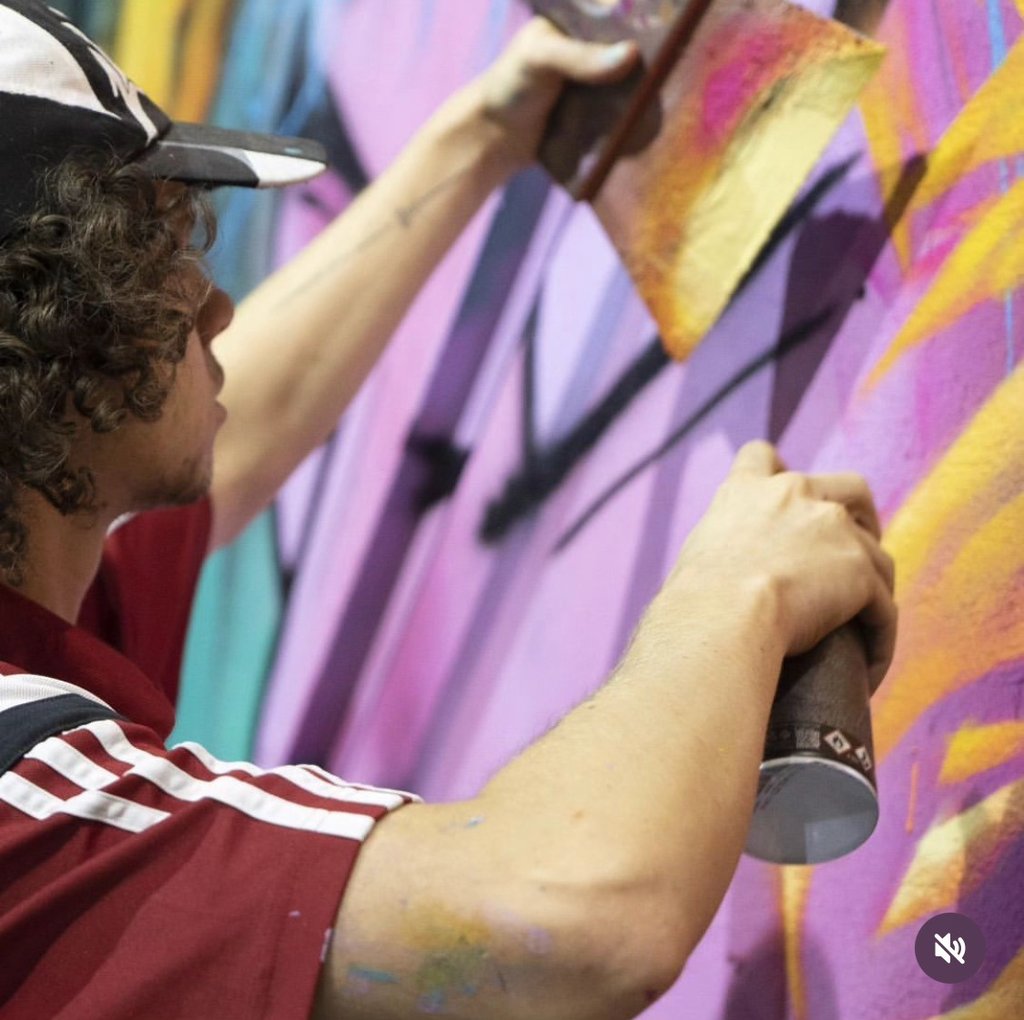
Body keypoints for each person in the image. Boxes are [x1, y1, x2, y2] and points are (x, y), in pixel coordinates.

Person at [0, 2, 897, 1018]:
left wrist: (484, 133)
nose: (216, 305)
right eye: (147, 255)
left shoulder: (43, 603)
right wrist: (740, 588)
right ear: (42, 342)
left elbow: (240, 418)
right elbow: (554, 924)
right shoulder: (22, 801)